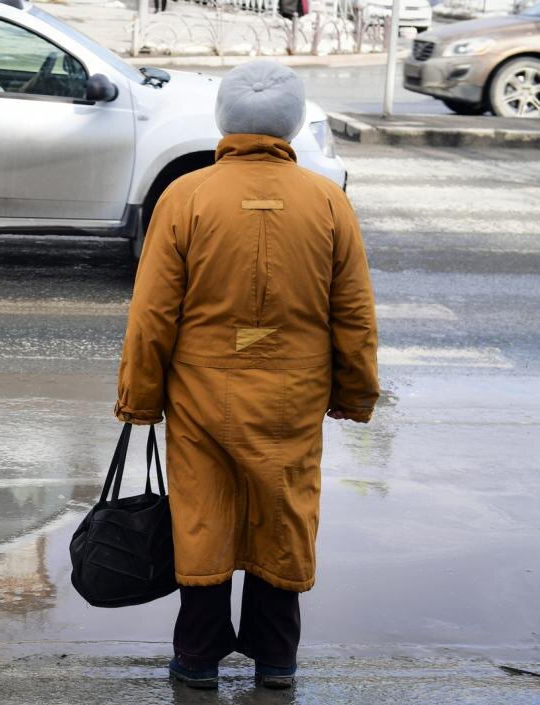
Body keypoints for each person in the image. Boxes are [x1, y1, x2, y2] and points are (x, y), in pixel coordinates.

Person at [114, 60, 379, 691]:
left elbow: (153, 314)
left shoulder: (186, 197)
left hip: (202, 391)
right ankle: (277, 660)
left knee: (203, 516)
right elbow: (355, 315)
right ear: (292, 122)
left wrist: (140, 398)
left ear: (222, 119)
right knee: (282, 515)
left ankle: (198, 658)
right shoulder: (328, 202)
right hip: (294, 394)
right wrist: (355, 394)